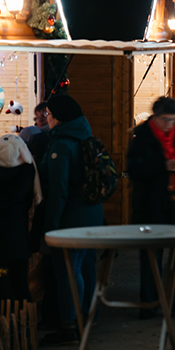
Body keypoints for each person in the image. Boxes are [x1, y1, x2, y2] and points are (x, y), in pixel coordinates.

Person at [126, 97, 175, 318]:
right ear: (155, 117)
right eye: (165, 120)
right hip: (150, 203)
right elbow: (134, 169)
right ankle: (149, 302)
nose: (168, 124)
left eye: (172, 120)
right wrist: (163, 166)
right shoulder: (141, 138)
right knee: (150, 255)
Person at [40, 95, 103, 345]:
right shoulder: (85, 136)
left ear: (58, 117)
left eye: (47, 114)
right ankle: (84, 318)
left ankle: (69, 325)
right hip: (91, 215)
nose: (46, 119)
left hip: (71, 221)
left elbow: (58, 191)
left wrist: (50, 227)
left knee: (68, 272)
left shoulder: (61, 145)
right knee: (82, 268)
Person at [0, 134, 40, 301]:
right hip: (19, 234)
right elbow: (38, 198)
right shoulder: (28, 170)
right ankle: (22, 320)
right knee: (20, 280)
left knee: (2, 280)